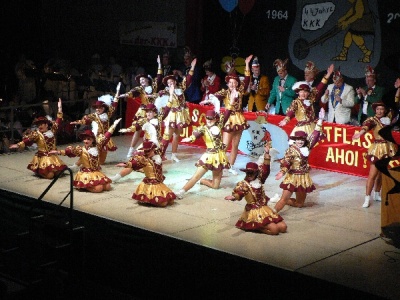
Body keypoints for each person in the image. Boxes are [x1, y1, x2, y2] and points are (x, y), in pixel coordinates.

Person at [201, 54, 253, 175]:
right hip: (229, 119)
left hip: (239, 118)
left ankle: (231, 165)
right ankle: (219, 164)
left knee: (235, 145)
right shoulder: (225, 92)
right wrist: (207, 100)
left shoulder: (240, 91)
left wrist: (246, 64)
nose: (232, 84)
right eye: (230, 82)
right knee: (224, 145)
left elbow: (247, 79)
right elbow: (215, 96)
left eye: (234, 82)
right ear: (228, 83)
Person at [224, 144, 287, 235]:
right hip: (254, 211)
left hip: (264, 208)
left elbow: (266, 169)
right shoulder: (244, 184)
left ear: (256, 173)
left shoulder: (259, 180)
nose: (249, 175)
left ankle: (261, 225)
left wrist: (267, 154)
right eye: (248, 172)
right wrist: (234, 197)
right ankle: (255, 227)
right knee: (275, 230)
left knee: (283, 227)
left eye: (251, 173)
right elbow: (240, 193)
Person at [272, 108, 326, 213]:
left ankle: (279, 199)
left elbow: (315, 134)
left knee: (299, 204)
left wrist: (320, 120)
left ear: (304, 140)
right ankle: (271, 214)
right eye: (298, 140)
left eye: (302, 140)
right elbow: (287, 162)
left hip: (303, 177)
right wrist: (282, 172)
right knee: (284, 199)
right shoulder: (290, 150)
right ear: (295, 140)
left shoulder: (307, 147)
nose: (300, 142)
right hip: (292, 177)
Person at [50, 119, 121, 193]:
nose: (86, 141)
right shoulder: (81, 150)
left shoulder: (97, 147)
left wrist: (114, 125)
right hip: (87, 174)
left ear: (93, 140)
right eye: (84, 139)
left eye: (88, 139)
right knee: (99, 188)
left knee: (108, 187)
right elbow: (70, 151)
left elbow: (106, 137)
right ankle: (83, 186)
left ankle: (89, 186)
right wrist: (58, 152)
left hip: (96, 172)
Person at [175, 110, 230, 199]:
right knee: (196, 176)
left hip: (219, 156)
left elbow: (227, 115)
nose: (208, 120)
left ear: (215, 119)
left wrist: (230, 105)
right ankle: (181, 191)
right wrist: (190, 138)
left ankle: (203, 181)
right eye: (207, 118)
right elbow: (196, 135)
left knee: (215, 186)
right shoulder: (203, 129)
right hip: (209, 157)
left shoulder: (219, 125)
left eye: (211, 118)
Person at [352, 102, 398, 208]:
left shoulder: (388, 118)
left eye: (382, 109)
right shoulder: (372, 120)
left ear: (385, 110)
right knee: (372, 175)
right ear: (375, 110)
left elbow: (395, 105)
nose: (380, 111)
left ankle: (377, 194)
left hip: (388, 148)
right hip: (377, 149)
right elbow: (366, 127)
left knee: (382, 174)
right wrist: (360, 133)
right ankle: (367, 198)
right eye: (378, 109)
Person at [9, 99, 67, 179]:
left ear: (47, 125)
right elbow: (28, 140)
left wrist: (60, 109)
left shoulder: (52, 131)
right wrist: (18, 145)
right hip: (43, 158)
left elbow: (58, 121)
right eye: (38, 125)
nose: (40, 126)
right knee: (50, 176)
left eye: (42, 124)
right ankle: (39, 171)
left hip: (52, 157)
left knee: (59, 173)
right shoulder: (37, 134)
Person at [118, 56, 163, 158]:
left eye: (143, 79)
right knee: (138, 130)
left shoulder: (154, 87)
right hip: (143, 111)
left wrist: (159, 64)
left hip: (153, 111)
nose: (142, 81)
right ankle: (131, 150)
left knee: (152, 130)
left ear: (147, 80)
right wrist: (123, 95)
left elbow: (159, 77)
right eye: (140, 80)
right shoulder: (139, 89)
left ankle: (152, 149)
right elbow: (131, 93)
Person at [110, 103, 162, 183]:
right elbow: (136, 126)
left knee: (153, 167)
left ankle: (118, 177)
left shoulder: (155, 121)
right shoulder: (146, 120)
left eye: (150, 112)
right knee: (135, 163)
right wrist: (127, 130)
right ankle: (117, 177)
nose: (148, 113)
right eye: (147, 111)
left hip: (153, 147)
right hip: (149, 146)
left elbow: (137, 127)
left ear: (155, 113)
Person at [114, 141, 176, 207]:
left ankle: (151, 200)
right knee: (163, 203)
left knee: (171, 201)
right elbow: (134, 163)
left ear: (153, 149)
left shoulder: (158, 155)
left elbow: (163, 144)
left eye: (148, 151)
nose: (147, 153)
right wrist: (124, 164)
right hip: (150, 183)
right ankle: (149, 199)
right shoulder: (144, 159)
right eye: (145, 151)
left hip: (159, 182)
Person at [279, 64, 334, 135]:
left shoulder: (310, 99)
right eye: (301, 92)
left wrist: (328, 75)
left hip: (312, 127)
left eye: (305, 92)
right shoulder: (296, 102)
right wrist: (286, 120)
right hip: (301, 128)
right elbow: (291, 111)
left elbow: (320, 87)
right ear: (298, 92)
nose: (303, 94)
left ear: (308, 93)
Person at [159, 58, 196, 162]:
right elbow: (160, 96)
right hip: (171, 115)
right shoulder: (165, 91)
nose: (171, 84)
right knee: (167, 135)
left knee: (176, 135)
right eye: (169, 82)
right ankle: (160, 154)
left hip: (180, 115)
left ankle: (174, 154)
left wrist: (192, 67)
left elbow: (188, 80)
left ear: (175, 82)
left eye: (172, 81)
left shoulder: (180, 89)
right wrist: (168, 93)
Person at [70, 89, 120, 165]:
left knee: (101, 162)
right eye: (97, 108)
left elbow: (114, 105)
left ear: (104, 108)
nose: (98, 109)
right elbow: (85, 120)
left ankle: (92, 161)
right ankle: (77, 164)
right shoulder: (94, 115)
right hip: (97, 138)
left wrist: (117, 94)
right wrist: (77, 122)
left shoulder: (108, 114)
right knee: (88, 152)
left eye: (100, 108)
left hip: (106, 137)